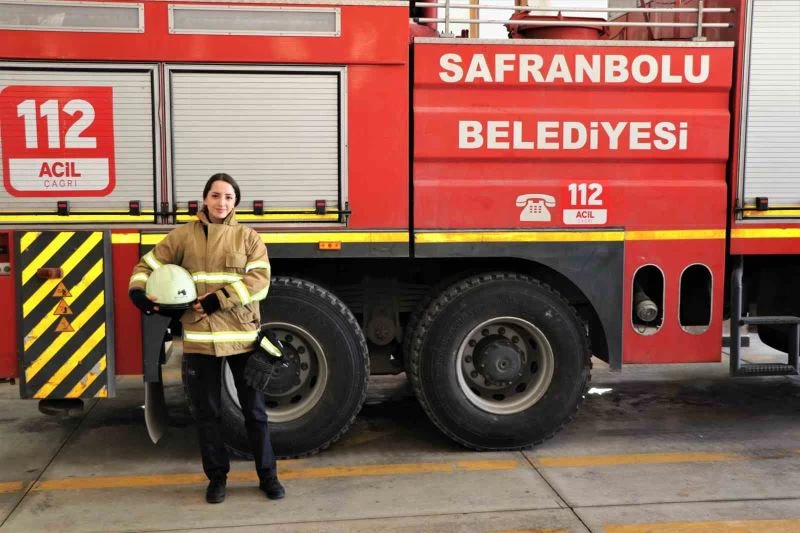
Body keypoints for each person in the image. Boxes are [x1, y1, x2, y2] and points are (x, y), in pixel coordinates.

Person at [128, 173, 285, 504]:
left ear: (235, 202)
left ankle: (268, 476)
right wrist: (139, 293)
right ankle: (217, 479)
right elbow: (147, 265)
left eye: (228, 197)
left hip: (243, 337)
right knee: (207, 413)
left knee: (255, 413)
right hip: (200, 337)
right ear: (205, 199)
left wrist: (218, 299)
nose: (221, 203)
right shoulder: (183, 236)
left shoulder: (249, 238)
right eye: (215, 195)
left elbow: (260, 281)